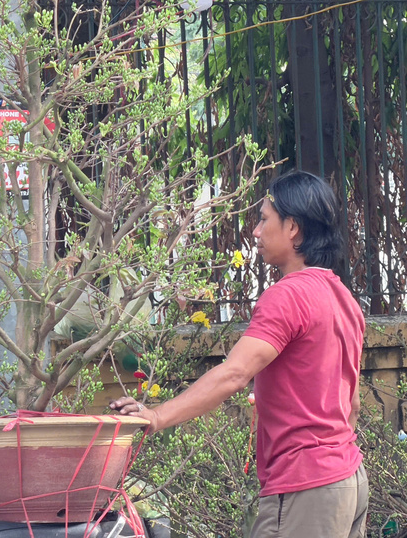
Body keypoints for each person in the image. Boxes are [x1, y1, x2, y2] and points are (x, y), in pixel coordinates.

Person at [110, 171, 367, 538]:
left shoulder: (288, 296)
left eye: (264, 219)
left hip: (307, 487)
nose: (256, 232)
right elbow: (351, 404)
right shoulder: (342, 297)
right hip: (349, 480)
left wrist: (156, 415)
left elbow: (234, 374)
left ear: (292, 227)